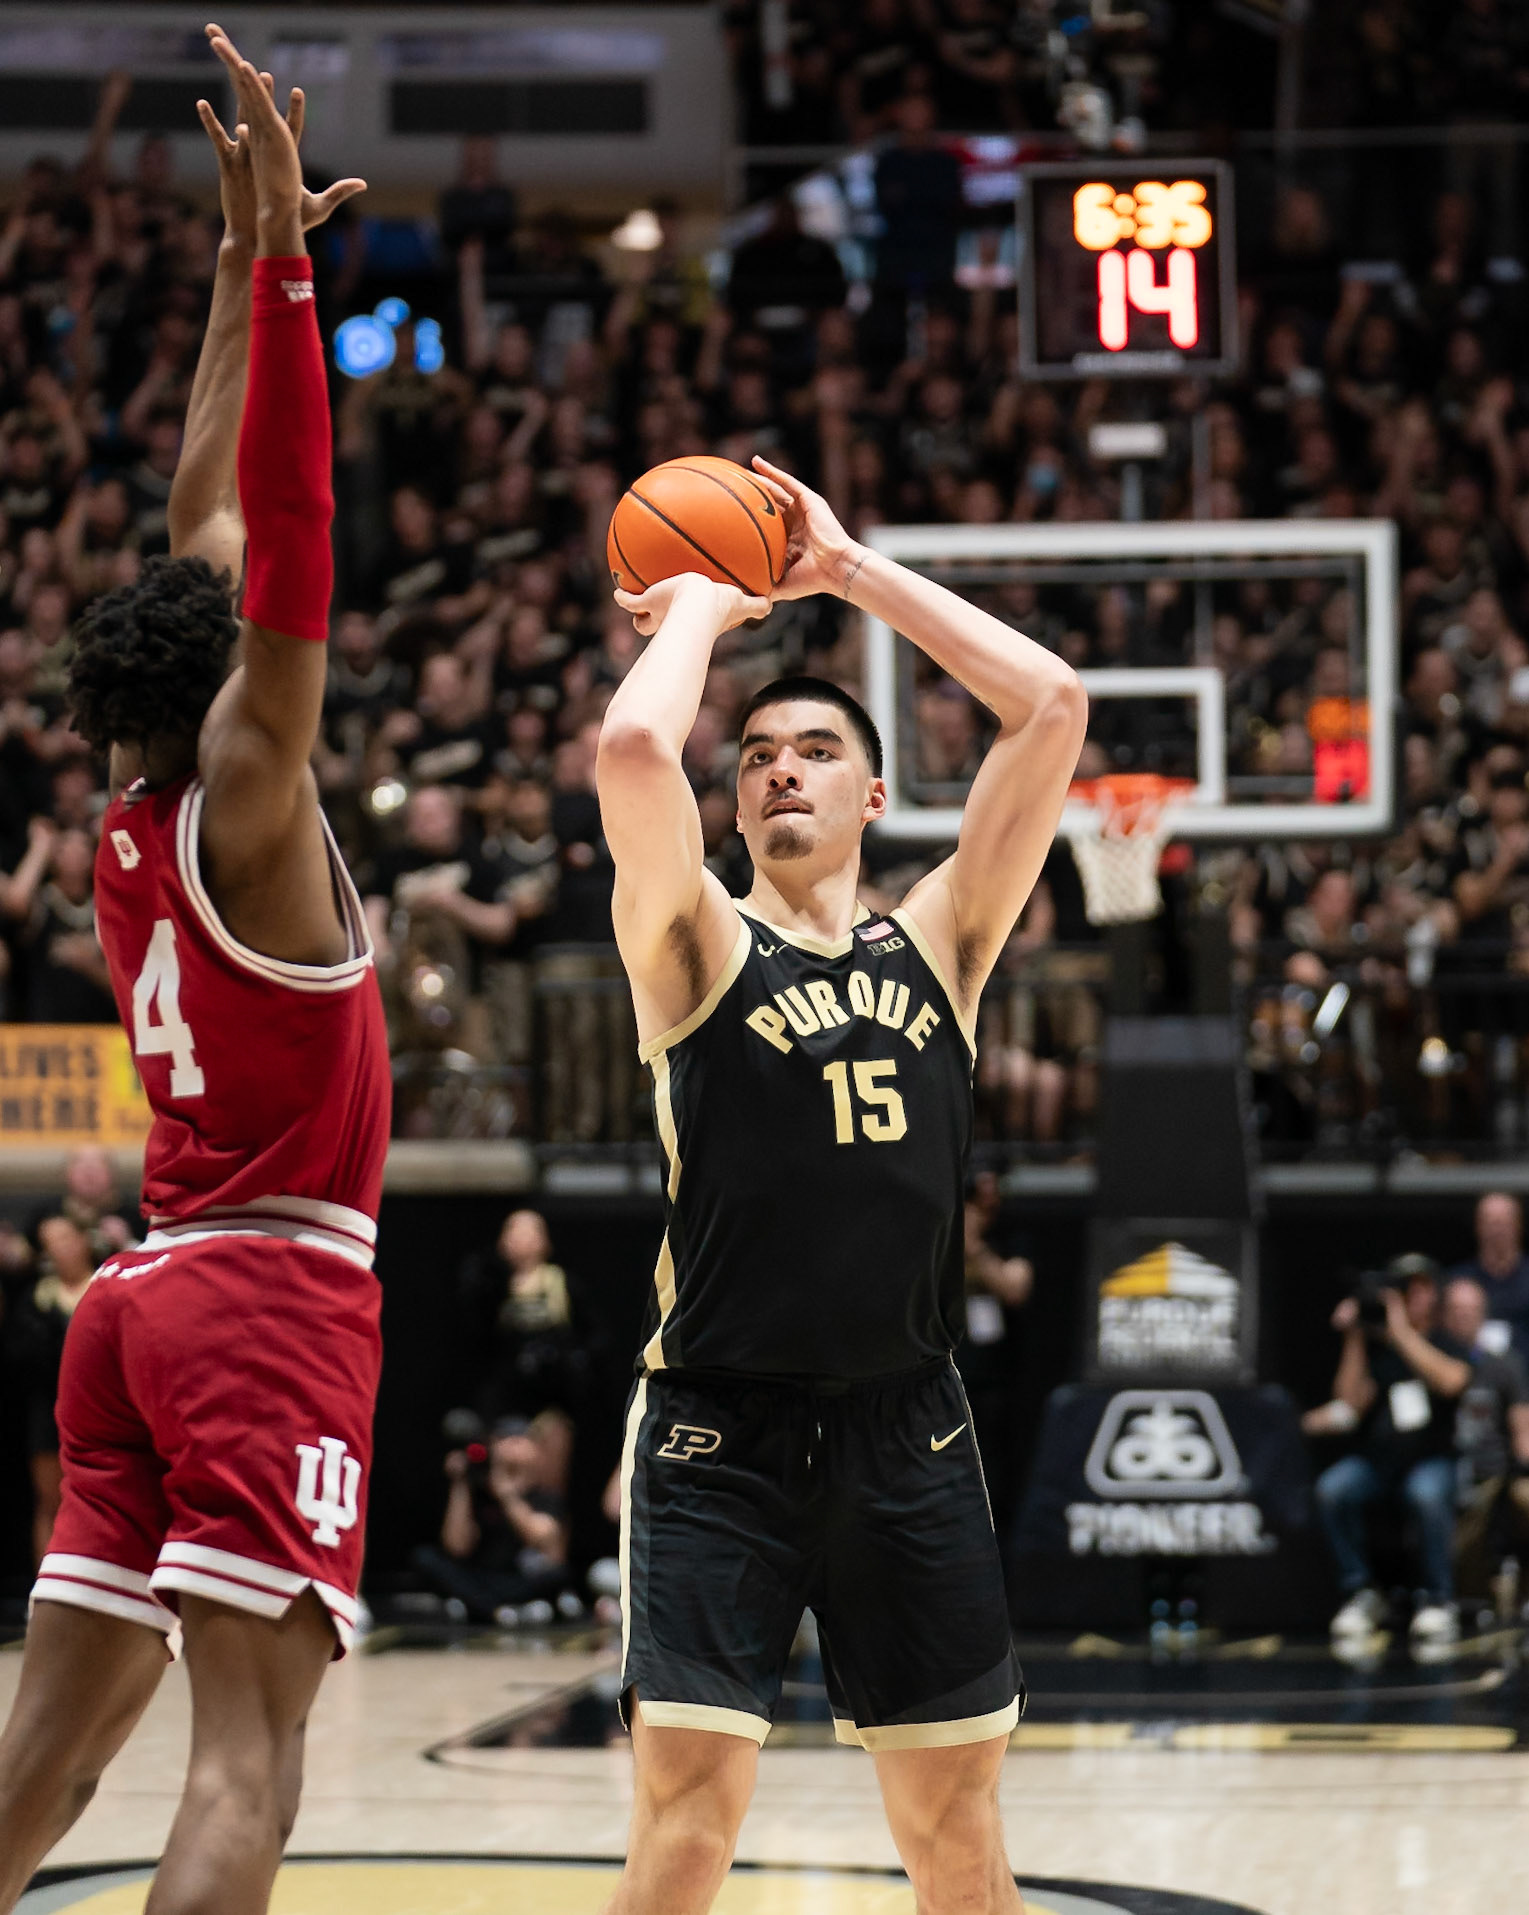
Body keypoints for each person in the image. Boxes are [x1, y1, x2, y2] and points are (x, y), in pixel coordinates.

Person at [0, 32, 384, 1915]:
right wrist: (293, 286)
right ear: (232, 681)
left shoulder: (147, 804)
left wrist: (237, 267)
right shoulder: (250, 792)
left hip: (135, 1306)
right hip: (268, 1302)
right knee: (249, 1769)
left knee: (41, 1769)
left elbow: (201, 529)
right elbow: (285, 533)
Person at [594, 455, 1087, 1913]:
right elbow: (632, 752)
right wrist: (695, 601)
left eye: (811, 749)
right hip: (714, 1431)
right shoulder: (689, 942)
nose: (778, 769)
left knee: (956, 1833)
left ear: (875, 792)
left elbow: (1052, 704)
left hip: (907, 1423)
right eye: (753, 756)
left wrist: (848, 569)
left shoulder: (941, 938)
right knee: (684, 1826)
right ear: (735, 804)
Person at [1304, 1257, 1473, 1649]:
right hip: (1380, 1461)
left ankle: (1436, 1598)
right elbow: (1349, 1403)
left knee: (1426, 1493)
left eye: (1421, 1288)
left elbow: (1451, 1382)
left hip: (1433, 1459)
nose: (1413, 1297)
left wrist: (1400, 1331)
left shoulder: (1446, 1340)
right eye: (1405, 1289)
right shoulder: (1380, 1347)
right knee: (1333, 1487)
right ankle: (1361, 1592)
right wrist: (1355, 1337)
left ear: (1434, 1293)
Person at [413, 1412, 572, 1626]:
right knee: (426, 1558)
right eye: (503, 1440)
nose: (510, 1448)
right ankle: (501, 1612)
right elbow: (456, 1547)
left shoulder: (543, 1495)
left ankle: (481, 1609)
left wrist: (505, 1493)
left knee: (557, 1575)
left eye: (518, 1440)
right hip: (481, 1576)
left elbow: (541, 1537)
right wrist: (461, 1484)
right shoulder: (477, 1491)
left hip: (520, 1578)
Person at [1442, 1277, 1529, 1599]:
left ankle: (1521, 1592)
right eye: (1456, 1309)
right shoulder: (1430, 1358)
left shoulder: (1504, 1364)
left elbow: (1522, 1423)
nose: (1464, 1316)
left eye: (1471, 1309)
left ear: (1484, 1314)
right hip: (1450, 1469)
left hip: (1497, 1473)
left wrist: (1524, 1461)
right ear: (1444, 1314)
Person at [1450, 1190, 1529, 1366]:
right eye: (1490, 1222)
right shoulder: (1459, 1280)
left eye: (1504, 1222)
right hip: (1470, 1379)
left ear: (1518, 1225)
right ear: (1478, 1226)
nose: (1497, 1230)